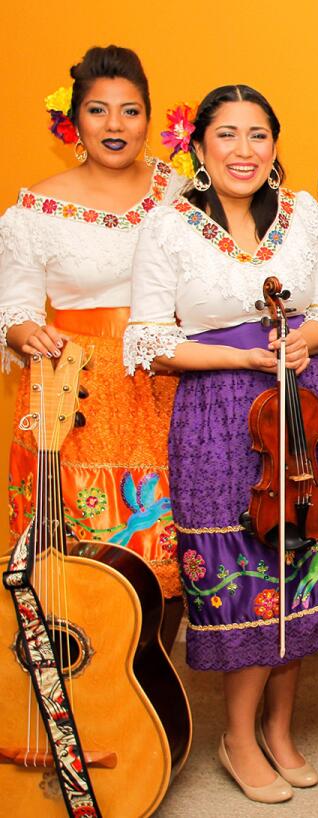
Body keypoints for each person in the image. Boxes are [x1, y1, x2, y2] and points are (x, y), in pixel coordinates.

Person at [125, 84, 318, 804]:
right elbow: (148, 340)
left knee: (302, 554)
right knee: (245, 572)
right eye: (228, 135)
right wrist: (243, 358)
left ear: (275, 145)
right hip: (218, 409)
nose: (245, 150)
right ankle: (238, 736)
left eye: (259, 136)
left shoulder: (302, 213)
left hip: (305, 406)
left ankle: (279, 728)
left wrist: (312, 336)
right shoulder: (168, 224)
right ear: (201, 147)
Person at [1, 45, 185, 639]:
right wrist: (25, 330)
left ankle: (154, 687)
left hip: (172, 378)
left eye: (130, 111)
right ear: (74, 120)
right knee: (85, 546)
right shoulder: (36, 208)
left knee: (175, 543)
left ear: (148, 118)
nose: (115, 125)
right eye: (98, 110)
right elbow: (14, 307)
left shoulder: (179, 193)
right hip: (77, 390)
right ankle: (90, 688)